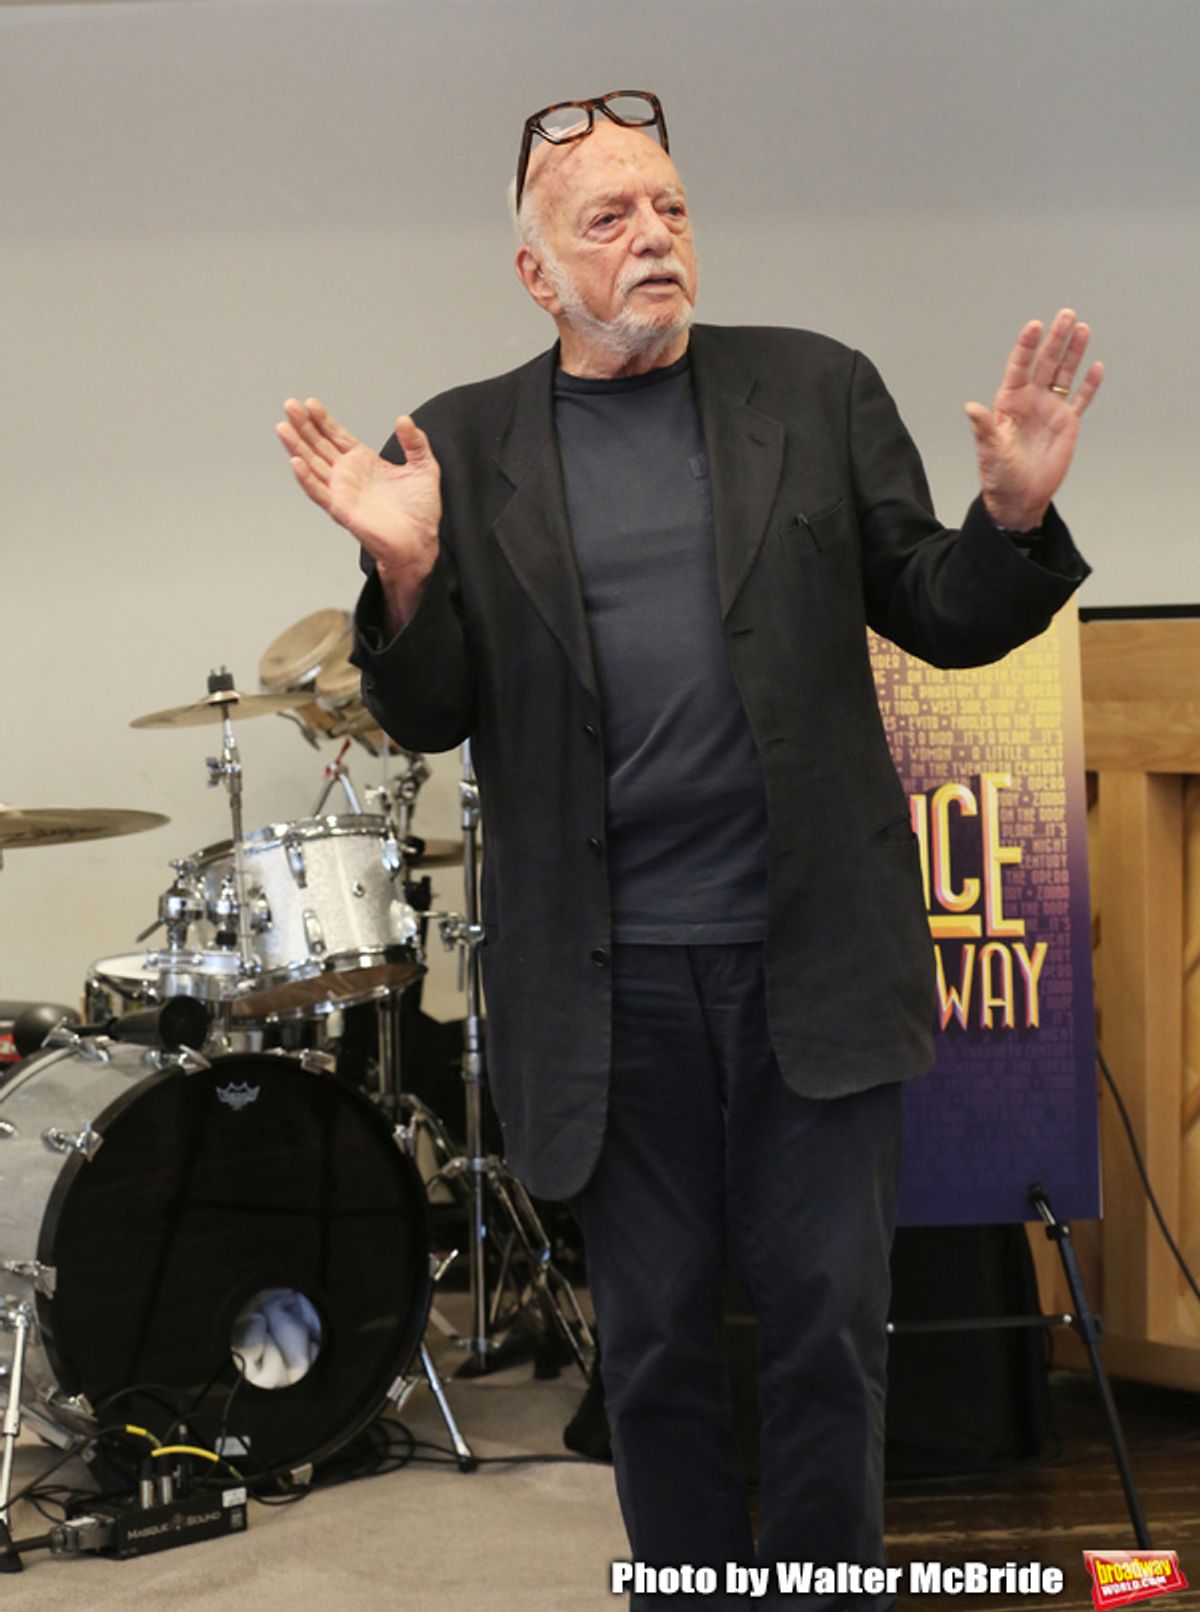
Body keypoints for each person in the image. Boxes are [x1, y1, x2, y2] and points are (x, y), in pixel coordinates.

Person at [276, 92, 1102, 1610]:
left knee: (827, 1338)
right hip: (611, 994)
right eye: (608, 219)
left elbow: (941, 608)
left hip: (814, 967)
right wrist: (401, 575)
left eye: (668, 208)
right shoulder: (458, 441)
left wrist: (1012, 521)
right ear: (536, 272)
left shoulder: (817, 388)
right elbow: (437, 707)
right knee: (653, 1351)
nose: (652, 237)